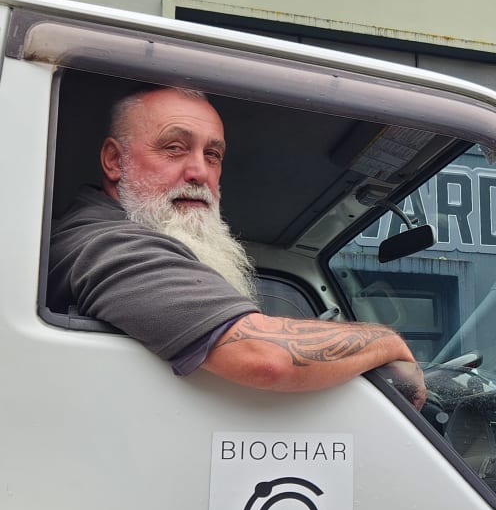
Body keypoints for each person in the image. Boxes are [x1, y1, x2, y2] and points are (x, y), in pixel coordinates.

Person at [47, 86, 426, 407]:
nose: (199, 172)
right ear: (115, 160)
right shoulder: (108, 243)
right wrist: (386, 341)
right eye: (174, 148)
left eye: (212, 155)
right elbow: (265, 357)